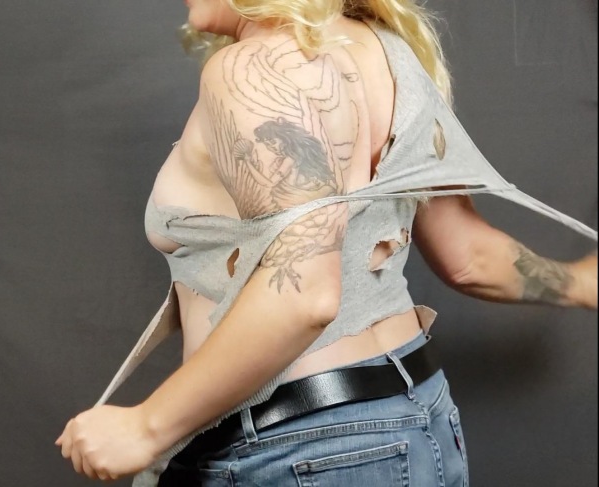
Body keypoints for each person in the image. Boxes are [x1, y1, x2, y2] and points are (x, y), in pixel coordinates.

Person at [55, 1, 598, 485]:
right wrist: (581, 283)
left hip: (301, 447)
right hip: (415, 416)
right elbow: (469, 258)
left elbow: (305, 296)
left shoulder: (252, 69)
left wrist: (147, 427)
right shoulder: (391, 55)